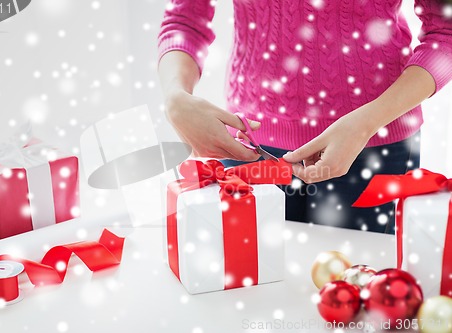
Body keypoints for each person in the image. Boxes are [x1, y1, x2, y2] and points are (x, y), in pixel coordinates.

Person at [157, 0, 452, 233]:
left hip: (375, 145)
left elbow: (446, 32)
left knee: (361, 292)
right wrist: (175, 97)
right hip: (247, 146)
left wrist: (366, 122)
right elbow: (185, 19)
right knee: (249, 294)